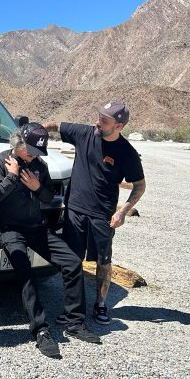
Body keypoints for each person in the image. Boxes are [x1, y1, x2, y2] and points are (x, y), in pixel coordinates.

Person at [0, 122, 101, 359]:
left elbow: (49, 197)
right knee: (26, 274)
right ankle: (41, 331)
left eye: (37, 151)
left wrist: (37, 187)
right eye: (30, 150)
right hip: (10, 230)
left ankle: (75, 323)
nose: (33, 155)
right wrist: (11, 177)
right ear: (17, 143)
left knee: (71, 262)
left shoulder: (40, 165)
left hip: (37, 227)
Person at [45, 101, 146, 325]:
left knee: (103, 260)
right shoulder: (84, 133)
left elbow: (139, 185)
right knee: (72, 260)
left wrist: (123, 212)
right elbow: (56, 125)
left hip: (103, 216)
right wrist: (33, 131)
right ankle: (72, 306)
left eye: (104, 120)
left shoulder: (126, 153)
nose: (97, 122)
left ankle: (100, 304)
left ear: (118, 126)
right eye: (99, 116)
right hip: (74, 211)